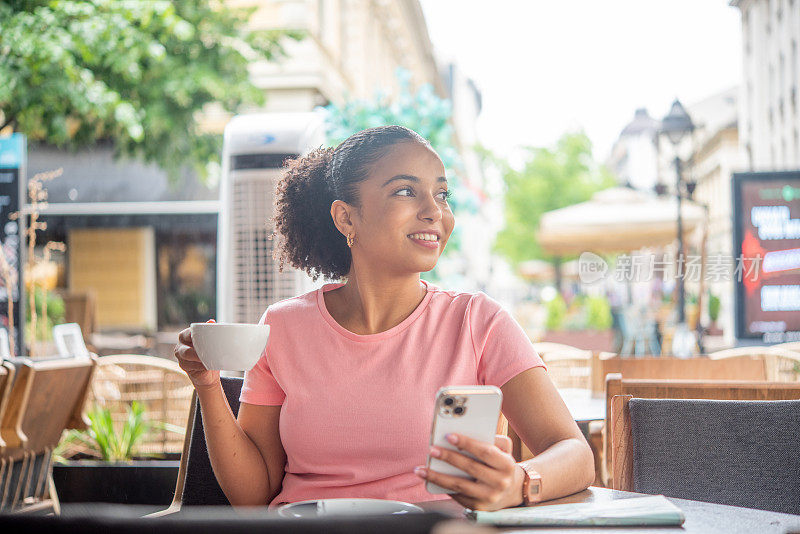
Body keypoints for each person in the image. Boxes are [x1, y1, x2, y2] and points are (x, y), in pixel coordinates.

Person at [174, 126, 594, 511]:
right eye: (406, 192)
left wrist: (520, 482)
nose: (435, 212)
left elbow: (574, 454)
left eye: (442, 195)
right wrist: (207, 385)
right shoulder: (282, 327)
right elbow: (252, 496)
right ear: (346, 217)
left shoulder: (478, 321)